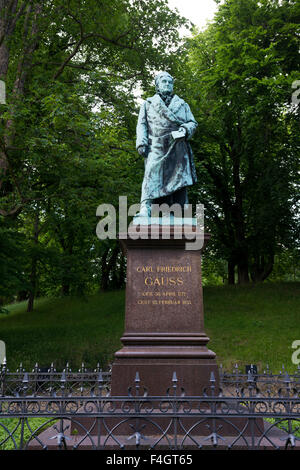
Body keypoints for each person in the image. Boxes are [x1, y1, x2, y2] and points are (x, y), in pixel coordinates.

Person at [136, 71, 198, 217]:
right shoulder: (148, 103)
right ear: (157, 85)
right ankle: (146, 208)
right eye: (164, 82)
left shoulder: (182, 104)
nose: (167, 84)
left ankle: (175, 213)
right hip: (156, 146)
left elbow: (192, 123)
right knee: (151, 175)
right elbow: (142, 124)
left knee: (178, 180)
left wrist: (184, 129)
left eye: (170, 82)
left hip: (177, 147)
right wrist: (141, 142)